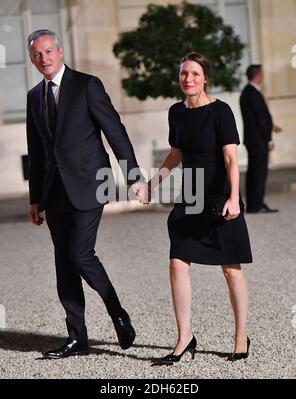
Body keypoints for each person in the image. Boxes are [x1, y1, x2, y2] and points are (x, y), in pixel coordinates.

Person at [26, 29, 147, 358]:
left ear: (60, 52)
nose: (44, 59)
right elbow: (36, 153)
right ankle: (77, 337)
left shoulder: (87, 85)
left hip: (90, 183)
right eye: (37, 54)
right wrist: (35, 198)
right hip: (54, 192)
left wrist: (134, 176)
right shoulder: (33, 97)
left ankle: (117, 313)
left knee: (80, 254)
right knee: (64, 264)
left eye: (49, 51)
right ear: (32, 58)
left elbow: (114, 130)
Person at [147, 52, 252, 363]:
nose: (188, 79)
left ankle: (240, 335)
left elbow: (231, 159)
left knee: (231, 270)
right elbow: (176, 154)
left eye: (194, 73)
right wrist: (153, 183)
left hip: (220, 196)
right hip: (190, 197)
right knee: (178, 263)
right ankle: (184, 336)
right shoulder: (176, 113)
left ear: (206, 77)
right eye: (183, 74)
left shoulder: (221, 112)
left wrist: (235, 197)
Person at [240, 64, 282, 213]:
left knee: (253, 172)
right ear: (257, 74)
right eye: (262, 73)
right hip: (258, 140)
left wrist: (272, 126)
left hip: (252, 139)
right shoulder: (253, 93)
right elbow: (260, 119)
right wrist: (269, 139)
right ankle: (256, 204)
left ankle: (254, 203)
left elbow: (258, 117)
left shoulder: (247, 92)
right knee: (258, 172)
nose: (263, 76)